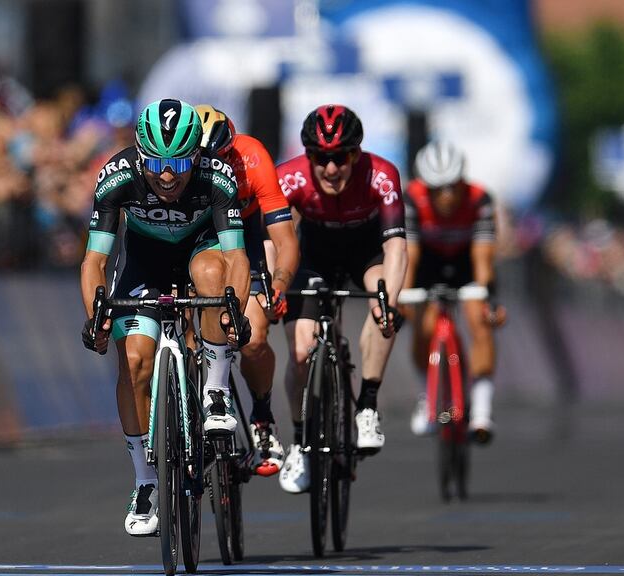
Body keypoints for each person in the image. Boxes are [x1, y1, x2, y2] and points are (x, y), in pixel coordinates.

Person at [79, 99, 250, 536]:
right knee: (135, 363)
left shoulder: (217, 176)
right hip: (143, 266)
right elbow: (95, 261)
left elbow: (235, 256)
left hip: (201, 250)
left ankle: (214, 391)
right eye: (156, 162)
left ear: (197, 155)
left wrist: (235, 310)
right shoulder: (117, 176)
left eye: (178, 161)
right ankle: (145, 482)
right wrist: (96, 313)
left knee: (212, 276)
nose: (167, 174)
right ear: (140, 153)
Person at [274, 104, 407, 493]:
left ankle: (366, 404)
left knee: (382, 296)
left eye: (342, 157)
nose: (331, 169)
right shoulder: (290, 177)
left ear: (357, 153)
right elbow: (276, 241)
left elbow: (396, 246)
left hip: (367, 253)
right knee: (300, 352)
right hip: (313, 255)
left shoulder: (381, 175)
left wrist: (391, 302)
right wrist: (275, 287)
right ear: (307, 156)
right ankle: (300, 440)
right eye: (320, 158)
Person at [195, 104, 299, 476]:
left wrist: (279, 284)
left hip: (246, 235)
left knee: (252, 338)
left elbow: (284, 238)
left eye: (221, 158)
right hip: (195, 234)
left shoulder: (252, 156)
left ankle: (263, 420)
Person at [402, 141, 506, 441]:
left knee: (480, 321)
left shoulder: (479, 199)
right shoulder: (411, 198)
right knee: (421, 326)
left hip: (466, 263)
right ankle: (428, 397)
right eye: (437, 189)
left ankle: (483, 410)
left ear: (462, 181)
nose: (446, 196)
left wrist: (487, 298)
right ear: (426, 187)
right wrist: (404, 296)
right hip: (427, 264)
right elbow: (410, 256)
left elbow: (483, 259)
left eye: (452, 187)